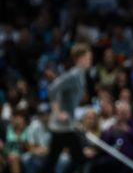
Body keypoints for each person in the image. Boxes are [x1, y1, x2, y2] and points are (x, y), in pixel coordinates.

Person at [41, 42, 93, 173]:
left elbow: (68, 99)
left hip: (65, 124)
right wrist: (58, 112)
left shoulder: (81, 75)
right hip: (63, 125)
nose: (90, 60)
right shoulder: (73, 74)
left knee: (51, 161)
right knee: (80, 161)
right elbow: (52, 89)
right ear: (79, 58)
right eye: (87, 57)